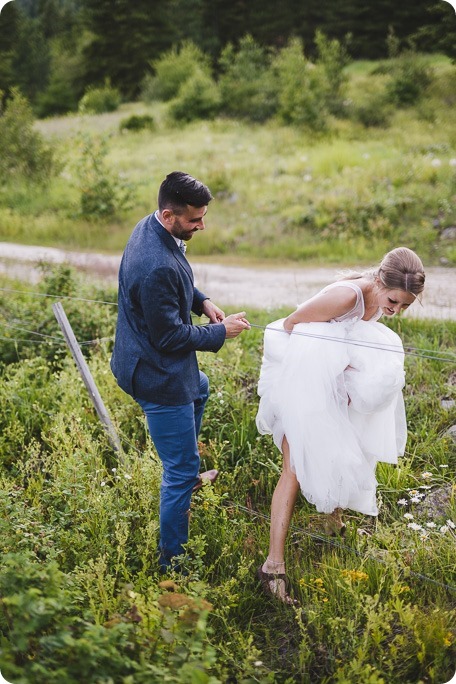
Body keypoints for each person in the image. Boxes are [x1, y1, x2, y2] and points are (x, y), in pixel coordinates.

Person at [255, 247, 425, 604]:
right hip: (300, 379)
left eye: (405, 306)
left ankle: (333, 522)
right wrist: (339, 369)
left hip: (333, 381)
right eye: (393, 301)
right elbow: (291, 326)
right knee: (295, 467)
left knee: (346, 439)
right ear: (380, 280)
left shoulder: (378, 298)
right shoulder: (348, 295)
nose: (394, 311)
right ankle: (273, 565)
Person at [111, 171, 250, 572]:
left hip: (145, 358)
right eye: (194, 220)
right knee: (179, 471)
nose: (202, 226)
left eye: (203, 217)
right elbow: (170, 337)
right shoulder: (155, 266)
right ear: (169, 214)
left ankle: (185, 464)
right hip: (156, 375)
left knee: (201, 387)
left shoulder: (152, 227)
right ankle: (173, 566)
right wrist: (220, 331)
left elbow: (176, 285)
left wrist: (202, 302)